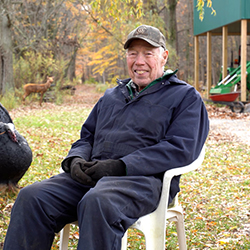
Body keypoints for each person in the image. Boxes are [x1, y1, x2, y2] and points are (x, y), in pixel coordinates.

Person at [3, 25, 209, 250]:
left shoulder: (185, 97)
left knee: (97, 202)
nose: (139, 61)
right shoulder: (112, 96)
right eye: (133, 54)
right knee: (31, 198)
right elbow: (86, 137)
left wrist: (121, 166)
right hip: (93, 176)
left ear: (164, 57)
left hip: (144, 182)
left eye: (148, 53)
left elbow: (180, 149)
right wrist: (75, 160)